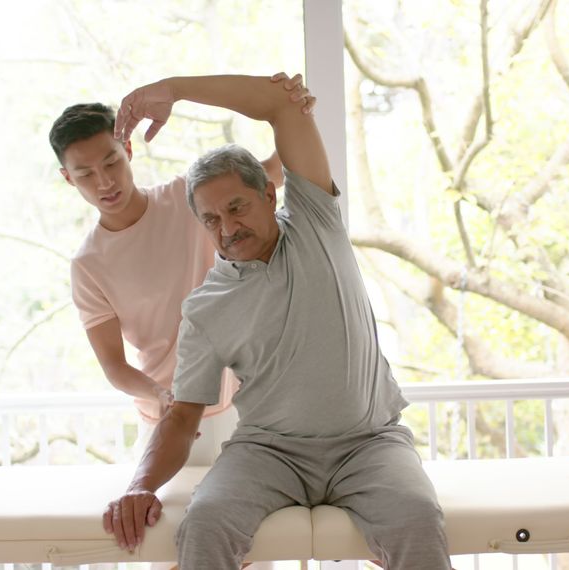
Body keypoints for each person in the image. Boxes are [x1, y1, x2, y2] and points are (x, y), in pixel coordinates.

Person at [102, 73, 450, 569]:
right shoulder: (205, 308)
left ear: (269, 194)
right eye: (211, 219)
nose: (227, 227)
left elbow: (282, 106)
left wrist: (173, 89)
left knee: (417, 518)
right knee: (204, 524)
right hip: (270, 454)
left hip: (369, 443)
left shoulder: (315, 222)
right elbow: (181, 419)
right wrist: (139, 486)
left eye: (236, 207)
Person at [48, 78, 315, 465]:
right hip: (172, 420)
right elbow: (115, 366)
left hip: (251, 403)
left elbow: (277, 169)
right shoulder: (88, 265)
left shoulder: (187, 195)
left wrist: (297, 111)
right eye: (86, 173)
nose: (104, 181)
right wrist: (159, 395)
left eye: (110, 162)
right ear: (68, 178)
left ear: (127, 150)